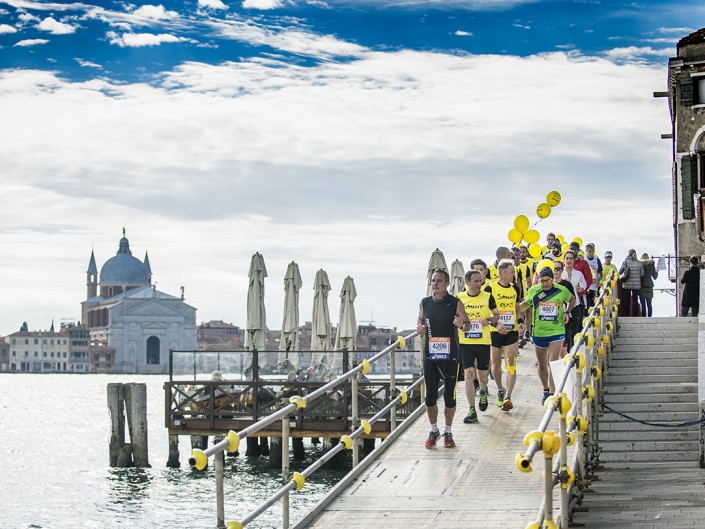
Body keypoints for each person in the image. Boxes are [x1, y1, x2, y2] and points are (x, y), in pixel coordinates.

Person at [417, 269, 471, 448]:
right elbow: (420, 319)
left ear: (447, 284)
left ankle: (448, 430)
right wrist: (419, 327)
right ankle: (434, 430)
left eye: (439, 280)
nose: (435, 283)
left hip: (451, 356)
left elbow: (468, 325)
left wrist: (461, 324)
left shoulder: (455, 302)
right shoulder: (425, 302)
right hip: (430, 356)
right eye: (433, 280)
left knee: (449, 396)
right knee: (430, 397)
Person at [519, 266, 575, 403]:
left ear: (552, 279)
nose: (545, 284)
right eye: (542, 281)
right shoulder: (534, 291)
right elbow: (523, 306)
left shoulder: (561, 290)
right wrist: (518, 312)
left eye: (548, 281)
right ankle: (545, 390)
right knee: (542, 364)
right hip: (539, 332)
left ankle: (552, 392)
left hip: (557, 330)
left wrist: (567, 311)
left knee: (554, 360)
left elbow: (572, 299)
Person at [457, 270, 499, 423]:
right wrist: (459, 323)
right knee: (468, 373)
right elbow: (454, 316)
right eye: (475, 281)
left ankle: (482, 390)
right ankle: (471, 410)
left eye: (480, 280)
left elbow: (497, 315)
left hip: (482, 341)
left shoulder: (487, 296)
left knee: (482, 376)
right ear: (467, 283)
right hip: (465, 341)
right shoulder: (460, 298)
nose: (479, 283)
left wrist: (489, 320)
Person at [485, 259, 525, 412]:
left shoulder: (515, 287)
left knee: (511, 364)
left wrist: (520, 321)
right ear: (502, 273)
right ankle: (500, 389)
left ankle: (508, 396)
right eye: (511, 272)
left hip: (511, 331)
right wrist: (496, 324)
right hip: (495, 331)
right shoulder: (490, 288)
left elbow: (517, 307)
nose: (514, 275)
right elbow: (486, 311)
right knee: (495, 366)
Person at [552, 261, 576, 355]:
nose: (555, 271)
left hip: (562, 321)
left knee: (563, 351)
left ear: (562, 271)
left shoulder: (566, 285)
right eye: (553, 268)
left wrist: (567, 312)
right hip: (548, 322)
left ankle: (565, 367)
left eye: (558, 269)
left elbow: (573, 300)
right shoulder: (544, 284)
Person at [619, 249, 644, 316]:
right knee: (635, 300)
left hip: (627, 284)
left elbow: (620, 272)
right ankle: (635, 314)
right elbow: (642, 274)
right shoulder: (639, 263)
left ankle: (626, 314)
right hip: (636, 285)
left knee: (627, 300)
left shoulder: (625, 262)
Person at [583, 243, 603, 308]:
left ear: (593, 250)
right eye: (587, 248)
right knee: (586, 306)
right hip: (585, 286)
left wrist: (598, 280)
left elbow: (601, 273)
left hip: (594, 287)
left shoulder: (597, 260)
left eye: (591, 248)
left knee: (593, 306)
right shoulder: (583, 259)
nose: (589, 250)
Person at [639, 253, 658, 317]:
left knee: (643, 304)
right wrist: (657, 271)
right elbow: (655, 277)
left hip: (642, 286)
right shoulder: (652, 266)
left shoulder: (640, 265)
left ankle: (644, 317)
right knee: (649, 304)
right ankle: (650, 317)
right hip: (649, 286)